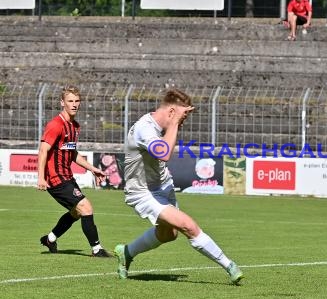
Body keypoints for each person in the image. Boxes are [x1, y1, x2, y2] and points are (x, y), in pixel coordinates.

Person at [114, 88, 244, 284]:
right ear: (172, 111)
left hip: (163, 186)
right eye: (182, 116)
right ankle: (230, 267)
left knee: (168, 234)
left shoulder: (158, 126)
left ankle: (126, 252)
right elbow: (164, 154)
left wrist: (175, 121)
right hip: (143, 192)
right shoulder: (144, 128)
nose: (183, 122)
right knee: (188, 226)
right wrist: (175, 122)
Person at [37, 85, 112, 257]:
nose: (74, 104)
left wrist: (93, 169)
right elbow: (43, 151)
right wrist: (41, 177)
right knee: (85, 207)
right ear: (62, 102)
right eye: (70, 101)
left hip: (67, 176)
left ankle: (50, 239)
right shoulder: (56, 125)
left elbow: (72, 154)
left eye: (77, 101)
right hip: (55, 178)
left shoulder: (74, 126)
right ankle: (97, 249)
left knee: (76, 213)